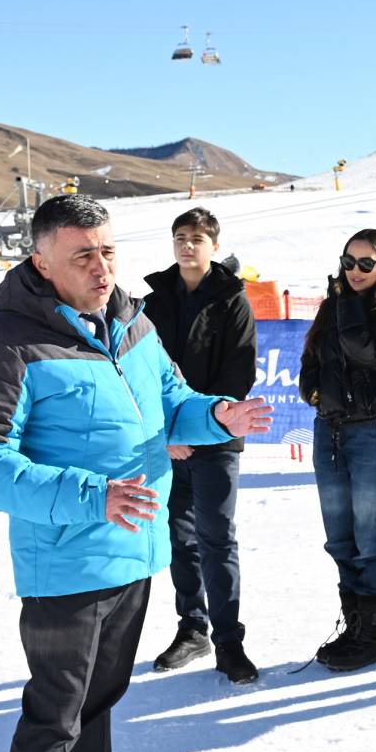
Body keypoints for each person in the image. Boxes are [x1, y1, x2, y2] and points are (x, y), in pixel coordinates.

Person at [0, 195, 273, 752]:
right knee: (57, 713)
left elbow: (171, 401)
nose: (101, 268)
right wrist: (90, 496)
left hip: (135, 546)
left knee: (98, 701)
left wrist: (215, 416)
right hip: (67, 560)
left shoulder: (135, 325)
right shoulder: (6, 344)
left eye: (107, 252)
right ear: (42, 263)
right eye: (82, 255)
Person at [140, 208, 260, 683]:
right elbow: (143, 373)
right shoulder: (152, 302)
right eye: (179, 238)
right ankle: (192, 628)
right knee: (179, 538)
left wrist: (199, 426)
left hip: (216, 440)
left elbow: (239, 372)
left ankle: (229, 641)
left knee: (216, 537)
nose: (187, 246)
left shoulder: (233, 299)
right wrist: (168, 434)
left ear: (214, 244)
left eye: (196, 238)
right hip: (167, 444)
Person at [299, 228, 376, 671]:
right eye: (349, 262)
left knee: (370, 537)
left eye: (366, 263)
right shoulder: (334, 307)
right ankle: (353, 626)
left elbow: (365, 351)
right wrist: (315, 393)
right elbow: (313, 359)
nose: (355, 271)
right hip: (329, 431)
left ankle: (373, 636)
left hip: (373, 433)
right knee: (340, 537)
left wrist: (345, 301)